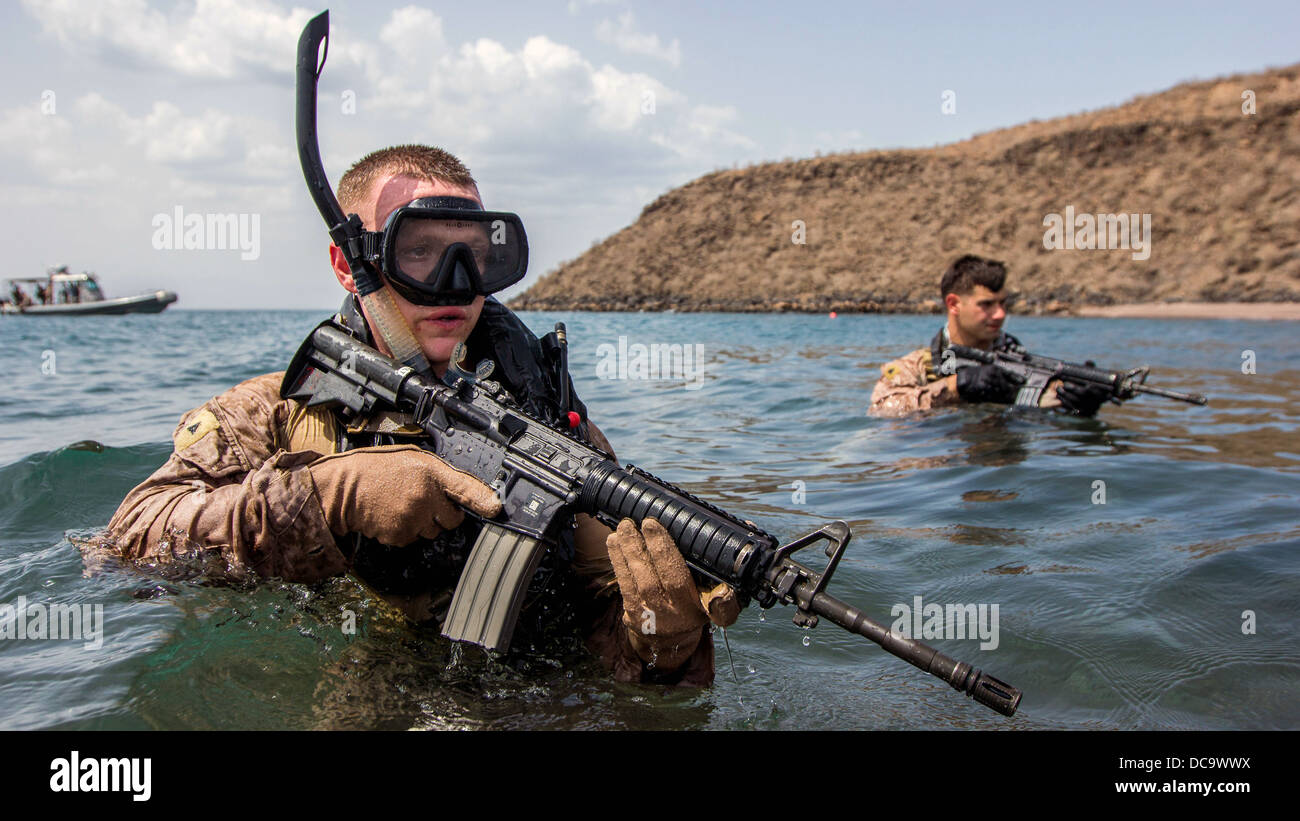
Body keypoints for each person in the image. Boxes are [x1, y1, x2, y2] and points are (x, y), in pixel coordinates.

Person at [104, 145, 738, 686]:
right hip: (346, 687)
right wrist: (330, 497)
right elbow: (127, 544)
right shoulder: (276, 412)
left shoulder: (543, 415)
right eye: (421, 251)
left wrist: (660, 641)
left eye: (473, 255)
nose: (457, 282)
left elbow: (591, 627)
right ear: (351, 265)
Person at [869, 255, 1111, 417]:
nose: (1000, 314)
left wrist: (1081, 403)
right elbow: (880, 411)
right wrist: (957, 386)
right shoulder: (917, 367)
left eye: (1003, 303)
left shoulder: (1022, 364)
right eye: (986, 305)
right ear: (954, 304)